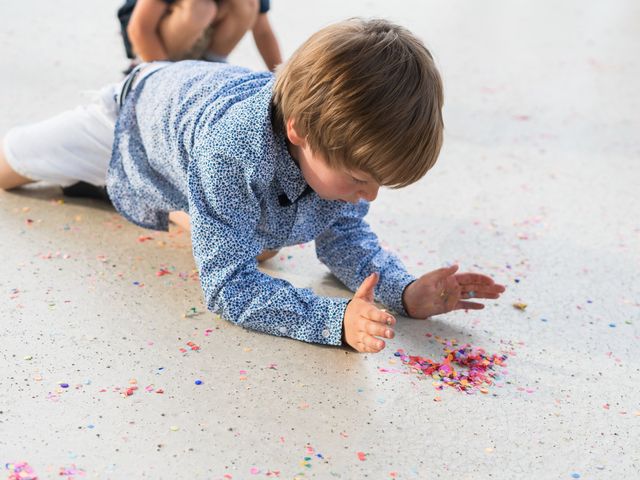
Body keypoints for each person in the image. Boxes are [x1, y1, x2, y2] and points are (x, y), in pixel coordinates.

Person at [0, 19, 505, 353]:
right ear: (299, 132)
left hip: (201, 126)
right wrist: (335, 323)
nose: (370, 197)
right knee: (9, 170)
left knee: (261, 243)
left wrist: (406, 292)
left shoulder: (332, 149)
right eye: (360, 180)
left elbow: (345, 239)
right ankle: (153, 197)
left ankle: (190, 210)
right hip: (131, 117)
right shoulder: (232, 152)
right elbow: (227, 289)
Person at [118, 0, 282, 71]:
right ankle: (149, 67)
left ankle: (211, 65)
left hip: (202, 36)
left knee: (249, 3)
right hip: (148, 41)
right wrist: (162, 76)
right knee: (202, 7)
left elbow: (263, 32)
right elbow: (139, 28)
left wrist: (281, 79)